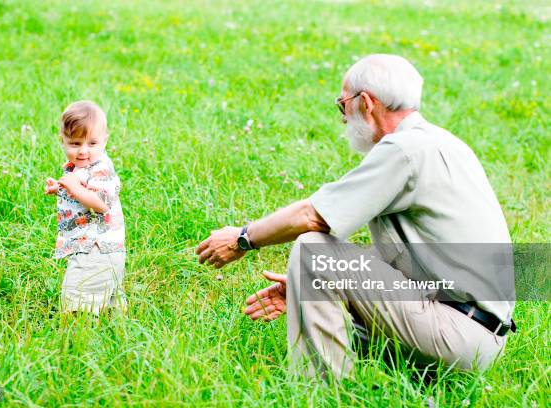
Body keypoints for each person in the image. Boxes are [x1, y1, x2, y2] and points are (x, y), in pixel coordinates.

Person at [195, 54, 515, 379]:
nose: (343, 118)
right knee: (323, 268)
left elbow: (313, 216)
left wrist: (243, 238)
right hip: (479, 335)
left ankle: (318, 391)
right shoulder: (444, 143)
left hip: (457, 333)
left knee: (312, 249)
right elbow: (419, 252)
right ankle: (375, 373)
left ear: (366, 102)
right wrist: (305, 285)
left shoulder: (403, 151)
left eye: (342, 105)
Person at [45, 100, 126, 314]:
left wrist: (74, 187)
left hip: (97, 248)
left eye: (92, 143)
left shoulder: (101, 169)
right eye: (75, 144)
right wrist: (61, 187)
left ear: (105, 140)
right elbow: (81, 188)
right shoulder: (84, 167)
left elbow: (100, 204)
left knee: (77, 296)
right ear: (62, 141)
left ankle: (75, 337)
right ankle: (112, 326)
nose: (83, 151)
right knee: (105, 298)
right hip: (97, 246)